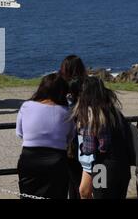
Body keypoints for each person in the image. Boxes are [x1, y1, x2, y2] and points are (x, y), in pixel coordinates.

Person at [16, 73, 73, 199]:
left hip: (29, 158)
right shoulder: (67, 112)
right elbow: (70, 137)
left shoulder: (26, 106)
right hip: (57, 159)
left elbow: (19, 133)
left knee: (28, 196)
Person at [72, 76, 131, 199]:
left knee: (101, 196)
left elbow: (89, 149)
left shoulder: (92, 114)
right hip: (122, 164)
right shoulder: (114, 111)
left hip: (102, 167)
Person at [59, 55, 87, 199]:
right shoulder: (87, 89)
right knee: (83, 182)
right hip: (86, 143)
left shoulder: (63, 91)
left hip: (70, 145)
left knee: (73, 182)